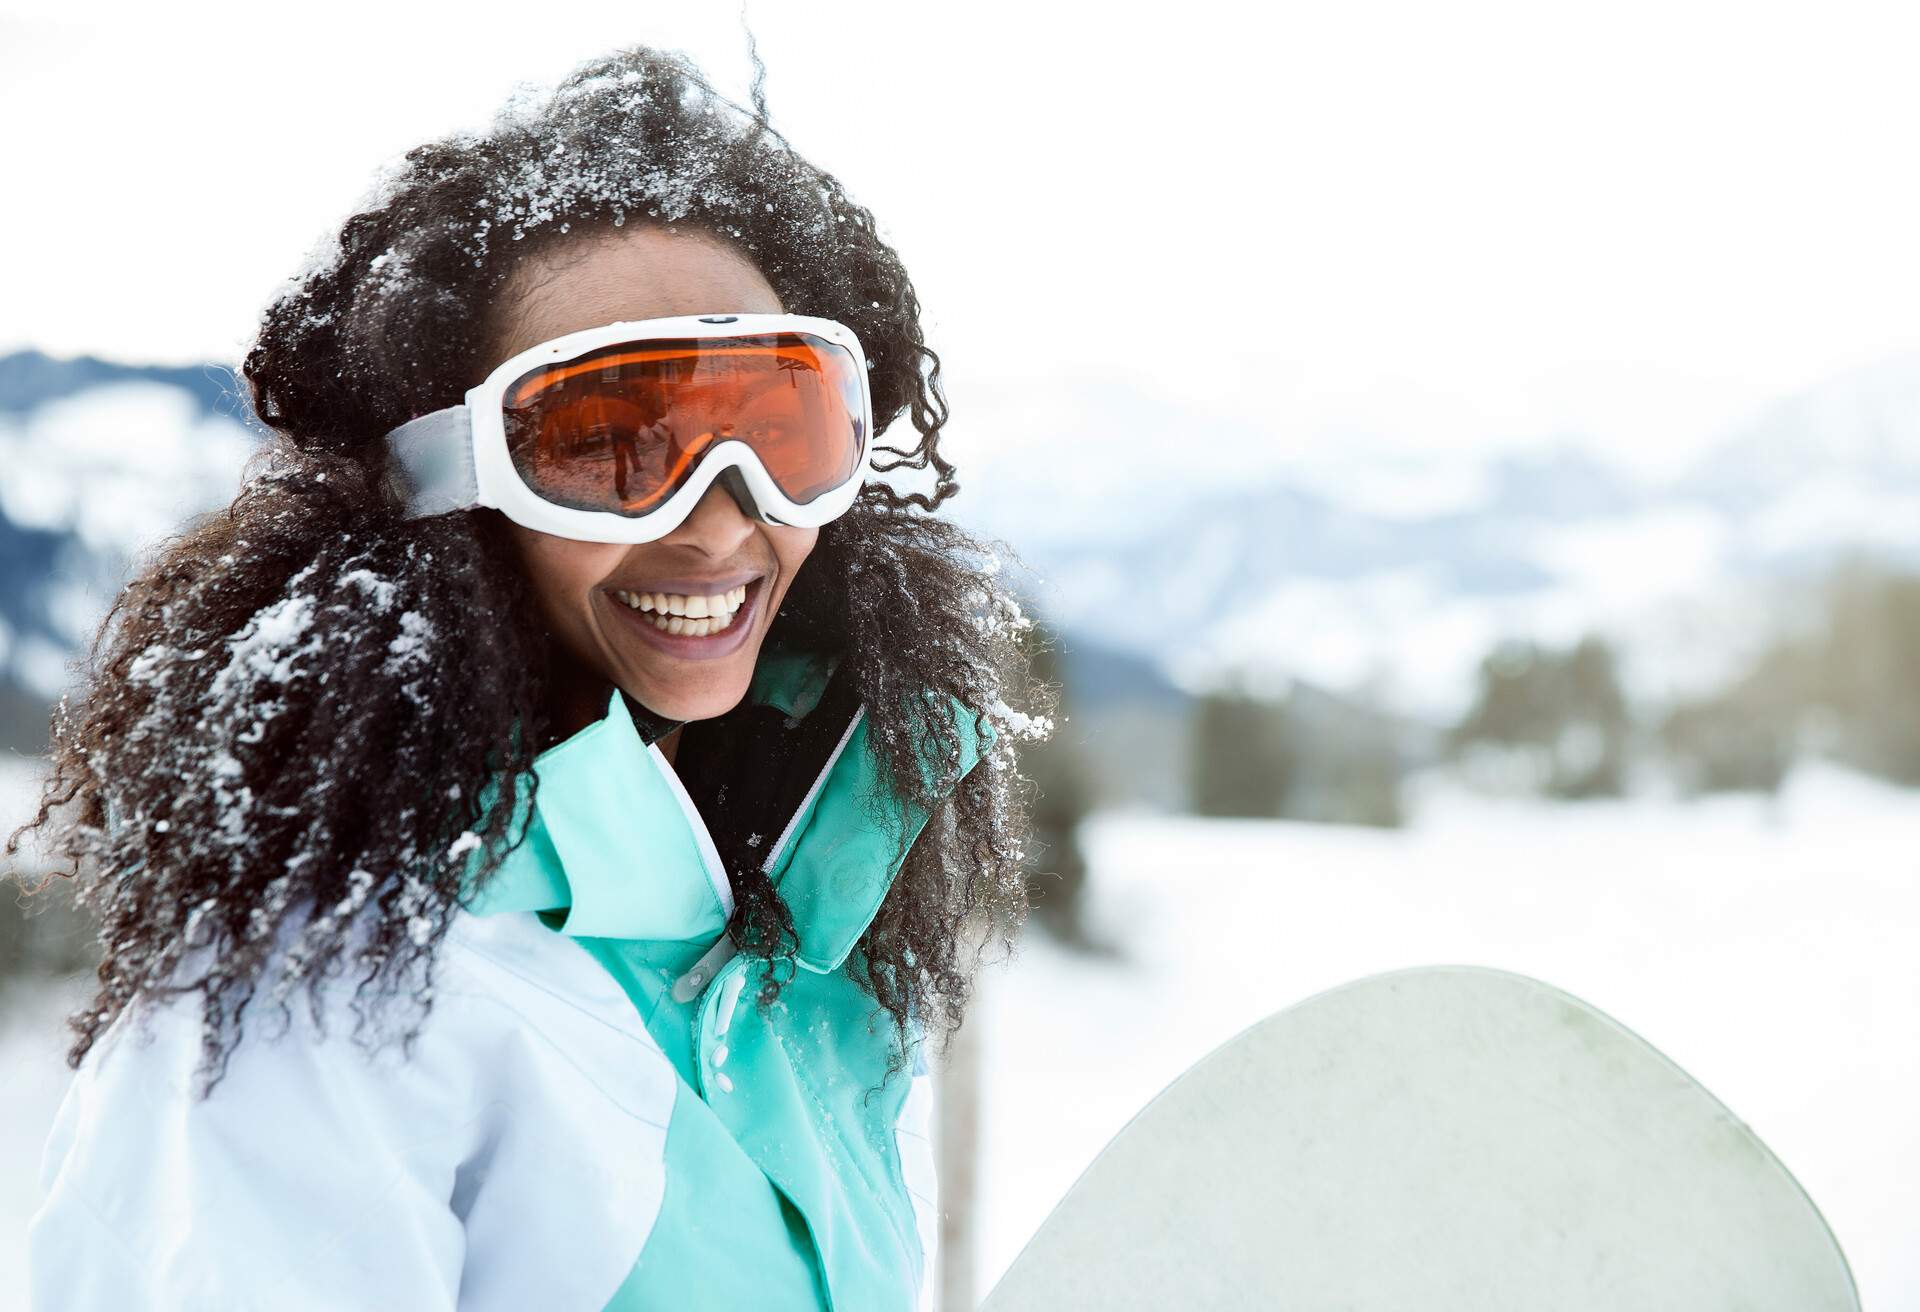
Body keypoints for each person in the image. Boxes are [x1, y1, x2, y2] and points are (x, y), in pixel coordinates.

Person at [15, 43, 1047, 1311]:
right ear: (447, 492)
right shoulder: (339, 999)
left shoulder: (788, 935)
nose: (723, 524)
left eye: (782, 431)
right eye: (612, 448)